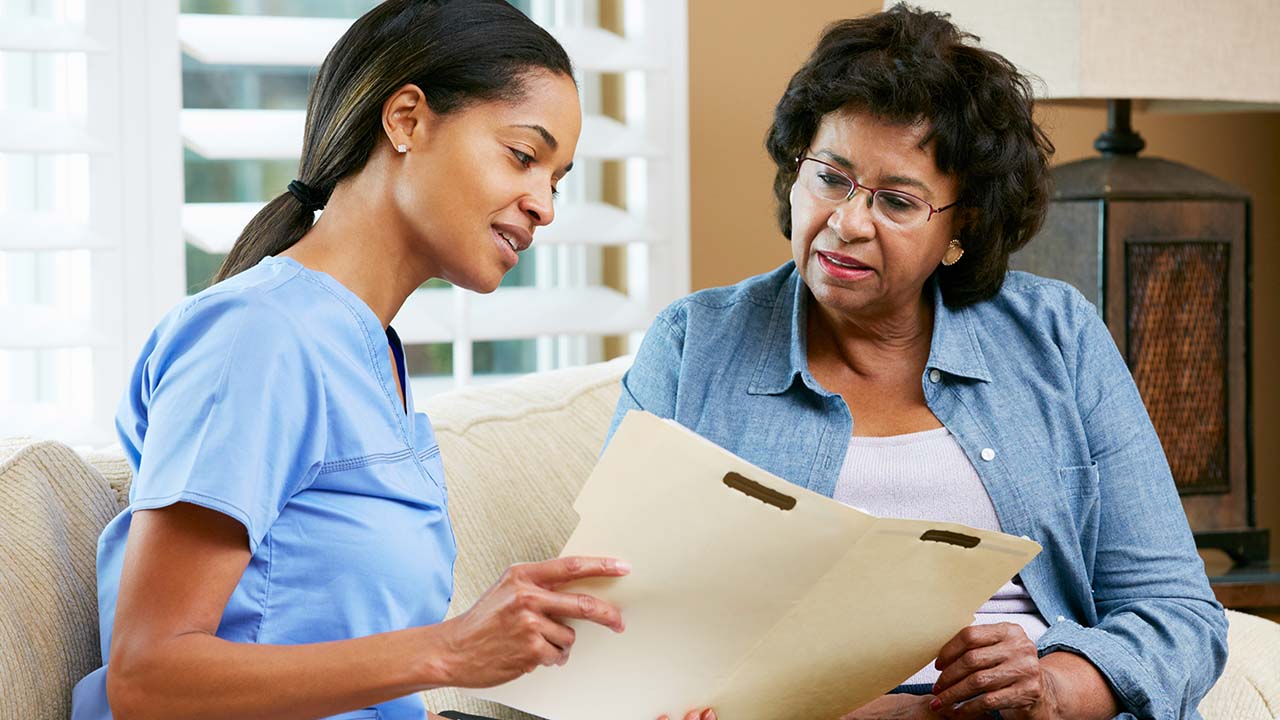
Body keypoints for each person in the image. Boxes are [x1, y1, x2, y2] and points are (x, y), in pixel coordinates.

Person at [71, 2, 713, 719]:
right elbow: (147, 679)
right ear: (406, 118)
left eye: (555, 182)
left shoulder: (372, 355)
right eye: (524, 156)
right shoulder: (256, 338)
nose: (545, 207)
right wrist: (450, 649)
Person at [607, 4, 1227, 719]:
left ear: (962, 225)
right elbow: (619, 614)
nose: (847, 222)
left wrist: (1055, 689)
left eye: (897, 202)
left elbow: (1179, 615)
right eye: (830, 178)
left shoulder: (1057, 335)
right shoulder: (694, 346)